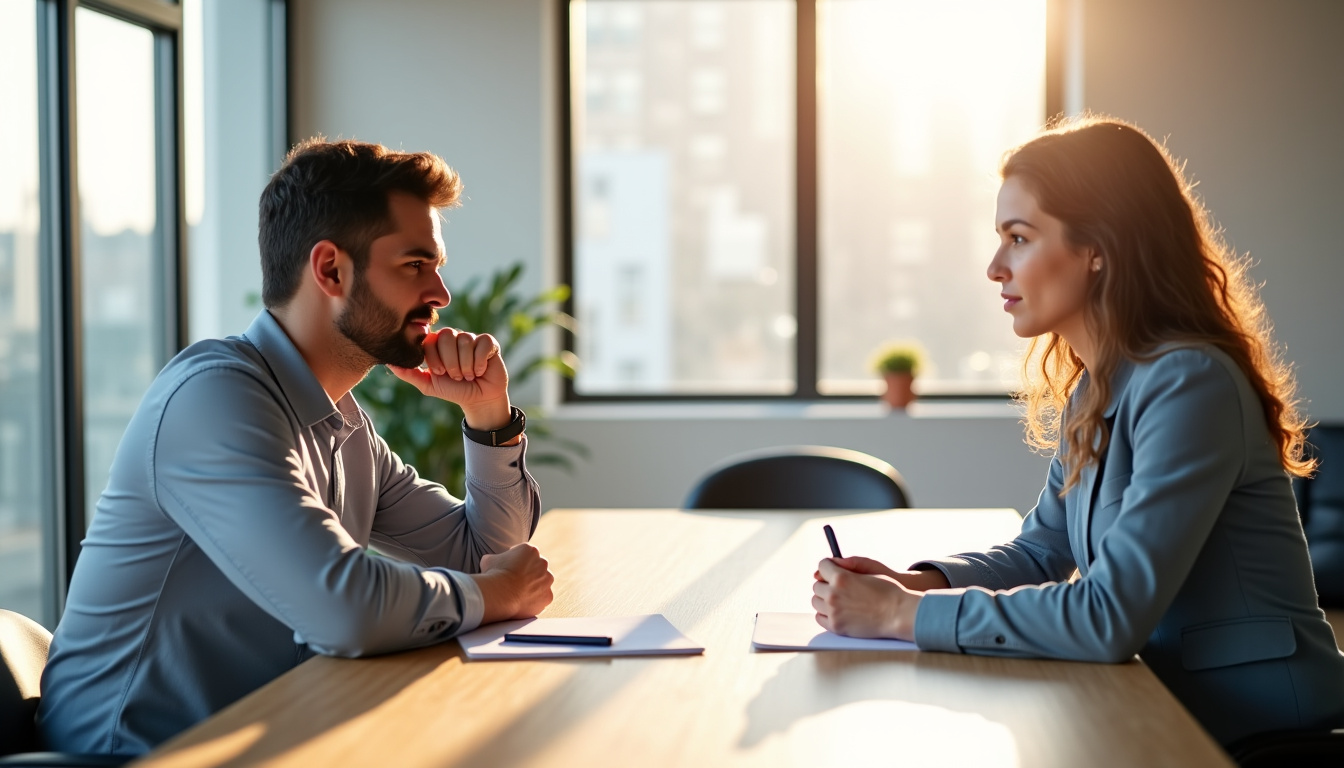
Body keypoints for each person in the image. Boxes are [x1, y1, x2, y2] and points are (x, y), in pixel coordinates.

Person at [812, 116, 1344, 746]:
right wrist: (918, 584)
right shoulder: (1096, 390)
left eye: (1019, 237)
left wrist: (902, 615)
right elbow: (1041, 552)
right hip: (1161, 702)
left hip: (1260, 729)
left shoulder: (1190, 383)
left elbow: (1109, 616)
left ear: (1099, 248)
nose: (994, 267)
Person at [37, 139, 555, 755]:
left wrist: (486, 413)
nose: (441, 293)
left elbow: (490, 552)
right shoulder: (214, 399)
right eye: (416, 265)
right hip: (135, 756)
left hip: (264, 738)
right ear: (331, 270)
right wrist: (493, 595)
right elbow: (345, 607)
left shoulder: (341, 423)